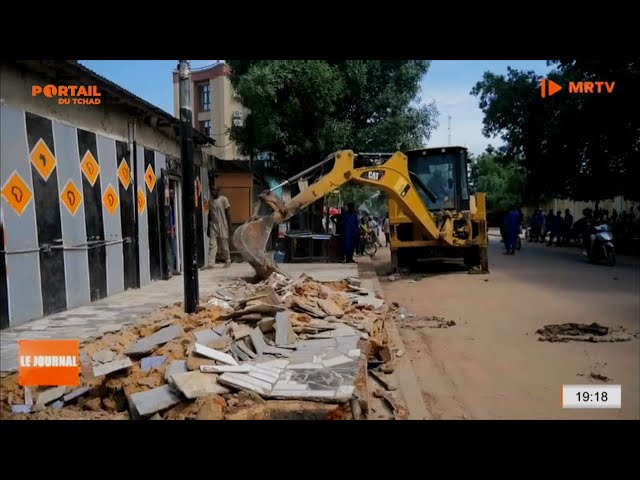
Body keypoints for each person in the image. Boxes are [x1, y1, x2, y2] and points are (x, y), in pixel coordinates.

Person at [207, 186, 232, 268]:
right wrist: (208, 227)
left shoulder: (223, 199)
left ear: (218, 191)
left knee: (224, 243)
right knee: (212, 244)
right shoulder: (210, 201)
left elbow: (228, 213)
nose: (213, 192)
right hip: (213, 225)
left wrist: (230, 225)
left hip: (222, 224)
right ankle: (211, 263)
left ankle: (228, 260)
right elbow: (209, 215)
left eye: (214, 190)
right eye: (212, 190)